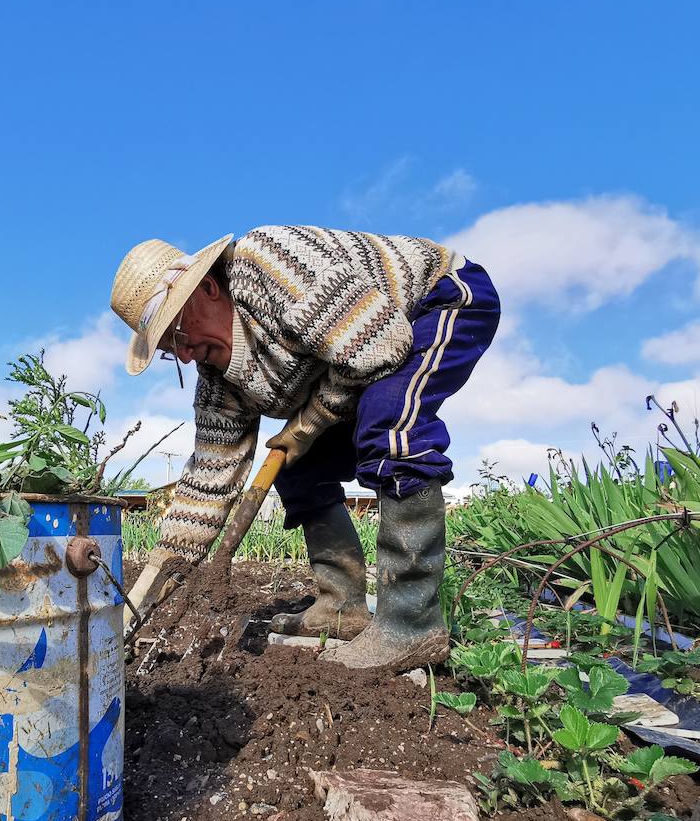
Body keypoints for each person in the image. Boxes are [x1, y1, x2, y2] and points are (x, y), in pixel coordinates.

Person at [110, 226, 499, 670]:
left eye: (177, 334)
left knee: (392, 420)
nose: (183, 356)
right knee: (296, 467)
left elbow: (382, 348)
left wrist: (308, 424)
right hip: (363, 353)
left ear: (208, 289)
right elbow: (206, 489)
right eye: (166, 350)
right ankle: (342, 606)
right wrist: (143, 594)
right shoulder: (220, 386)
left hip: (437, 299)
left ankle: (410, 626)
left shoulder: (268, 267)